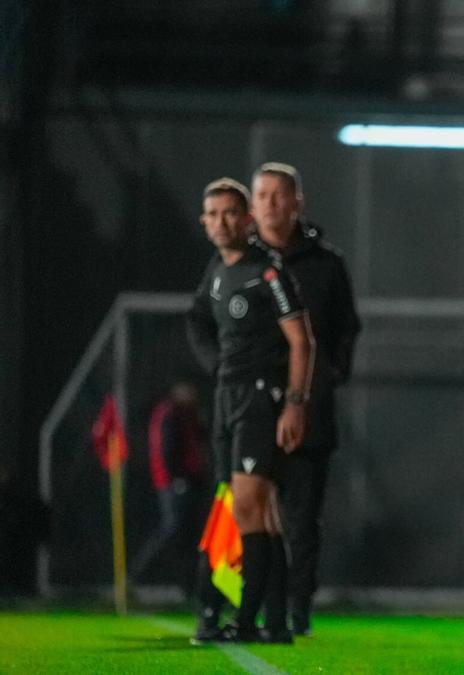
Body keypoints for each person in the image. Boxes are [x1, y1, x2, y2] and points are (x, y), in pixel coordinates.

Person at [185, 177, 314, 643]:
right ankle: (275, 623)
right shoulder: (216, 271)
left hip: (261, 398)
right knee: (261, 512)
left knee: (247, 508)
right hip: (227, 397)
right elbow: (198, 318)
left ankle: (244, 621)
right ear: (204, 223)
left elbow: (302, 342)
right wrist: (214, 362)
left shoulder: (269, 271)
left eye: (229, 213)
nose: (221, 222)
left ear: (247, 220)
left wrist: (294, 405)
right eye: (212, 214)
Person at [250, 162, 361, 636]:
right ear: (252, 205)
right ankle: (251, 604)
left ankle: (297, 607)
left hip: (309, 412)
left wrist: (328, 376)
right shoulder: (237, 265)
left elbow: (346, 327)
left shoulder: (325, 263)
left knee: (302, 518)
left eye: (280, 195)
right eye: (263, 195)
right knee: (249, 510)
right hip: (250, 410)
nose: (272, 204)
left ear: (298, 201)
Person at [129, 381, 208, 593]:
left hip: (188, 481)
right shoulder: (170, 414)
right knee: (172, 530)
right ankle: (140, 576)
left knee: (189, 534)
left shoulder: (188, 414)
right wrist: (178, 479)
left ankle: (188, 585)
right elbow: (167, 449)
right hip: (174, 483)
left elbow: (200, 438)